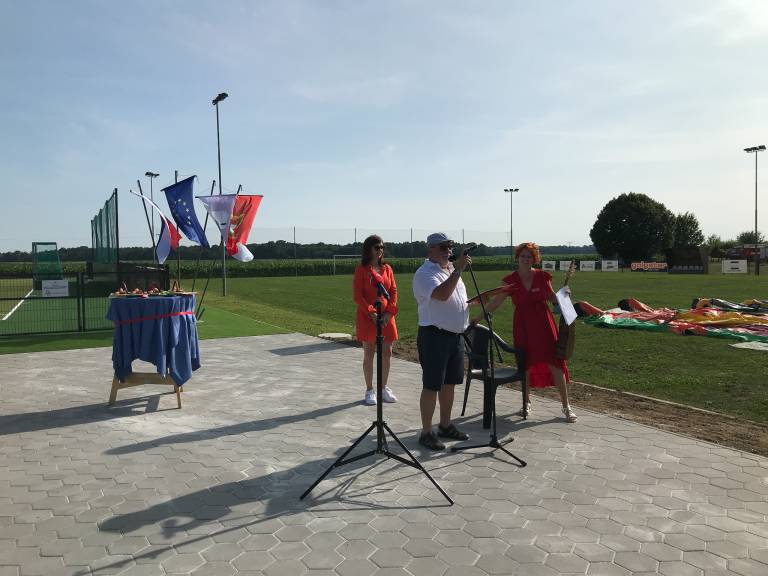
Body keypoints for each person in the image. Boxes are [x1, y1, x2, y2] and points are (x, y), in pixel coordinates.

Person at [478, 242, 577, 422]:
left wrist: (564, 295)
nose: (526, 259)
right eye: (523, 256)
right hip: (522, 326)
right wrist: (478, 318)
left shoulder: (542, 276)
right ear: (518, 257)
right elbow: (496, 302)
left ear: (534, 259)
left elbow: (553, 299)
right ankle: (526, 403)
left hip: (544, 324)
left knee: (555, 364)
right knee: (526, 365)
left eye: (529, 256)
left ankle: (566, 406)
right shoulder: (510, 280)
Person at [412, 232, 475, 450]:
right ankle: (426, 432)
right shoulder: (424, 273)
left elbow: (458, 300)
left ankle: (445, 425)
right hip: (434, 336)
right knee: (432, 385)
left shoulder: (450, 270)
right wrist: (458, 270)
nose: (448, 251)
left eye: (450, 247)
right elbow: (441, 295)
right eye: (443, 247)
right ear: (430, 249)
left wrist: (475, 302)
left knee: (449, 384)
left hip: (455, 336)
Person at [352, 235, 398, 405]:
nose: (380, 250)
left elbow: (393, 291)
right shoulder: (361, 270)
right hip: (367, 317)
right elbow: (358, 296)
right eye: (377, 247)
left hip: (386, 317)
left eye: (382, 247)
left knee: (387, 352)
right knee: (369, 353)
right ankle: (370, 390)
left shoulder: (387, 268)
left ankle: (383, 388)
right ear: (368, 249)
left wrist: (389, 313)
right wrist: (371, 312)